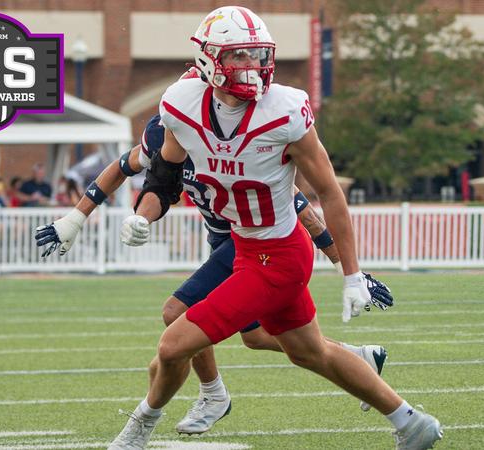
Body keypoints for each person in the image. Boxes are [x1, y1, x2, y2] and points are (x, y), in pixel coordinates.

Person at [105, 7, 441, 449]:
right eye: (238, 55)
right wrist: (142, 216)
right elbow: (164, 175)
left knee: (172, 344)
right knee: (310, 352)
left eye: (257, 55)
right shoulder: (181, 103)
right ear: (208, 60)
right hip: (247, 248)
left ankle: (138, 431)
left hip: (278, 256)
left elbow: (329, 192)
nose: (251, 66)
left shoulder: (283, 111)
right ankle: (412, 422)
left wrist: (352, 273)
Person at [36, 110, 395, 434]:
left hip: (256, 243)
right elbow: (124, 167)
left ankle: (213, 395)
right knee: (256, 338)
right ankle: (357, 357)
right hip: (226, 245)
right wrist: (76, 217)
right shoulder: (166, 134)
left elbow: (306, 214)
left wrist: (345, 268)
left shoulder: (237, 143)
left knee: (175, 312)